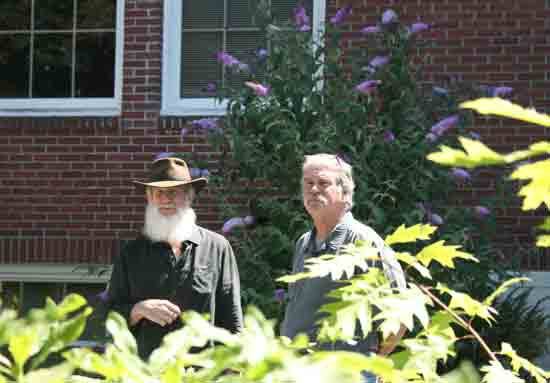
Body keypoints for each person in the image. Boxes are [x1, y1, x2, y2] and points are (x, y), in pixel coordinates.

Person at [281, 153, 407, 382]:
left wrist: (370, 363)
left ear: (345, 191)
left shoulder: (363, 242)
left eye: (323, 183)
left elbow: (400, 314)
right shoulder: (303, 243)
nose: (313, 190)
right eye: (308, 183)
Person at [105, 156, 243, 359]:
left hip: (203, 375)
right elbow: (108, 318)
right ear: (149, 198)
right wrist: (138, 310)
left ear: (189, 196)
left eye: (174, 192)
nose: (166, 199)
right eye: (158, 192)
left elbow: (232, 319)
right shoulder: (131, 253)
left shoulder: (217, 247)